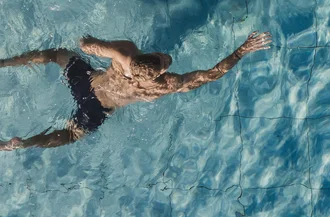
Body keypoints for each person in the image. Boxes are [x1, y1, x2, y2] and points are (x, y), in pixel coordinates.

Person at [0, 31, 271, 151]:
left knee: (57, 54)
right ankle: (22, 144)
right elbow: (211, 74)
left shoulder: (123, 54)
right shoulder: (165, 86)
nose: (165, 58)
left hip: (87, 83)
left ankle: (5, 62)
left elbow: (87, 45)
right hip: (97, 109)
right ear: (162, 71)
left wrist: (88, 42)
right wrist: (242, 50)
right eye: (164, 60)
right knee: (70, 135)